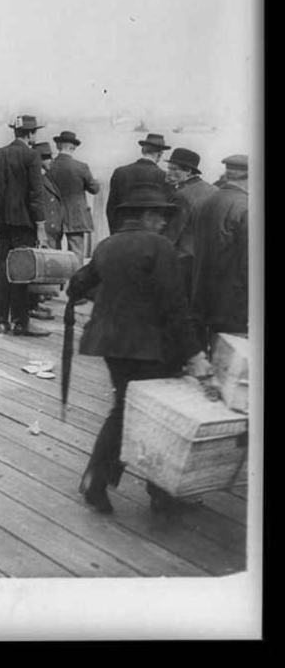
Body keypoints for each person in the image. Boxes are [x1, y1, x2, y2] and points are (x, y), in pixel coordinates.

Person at [66, 183, 212, 515]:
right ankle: (159, 493)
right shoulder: (160, 247)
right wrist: (196, 355)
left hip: (110, 344)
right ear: (146, 216)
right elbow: (175, 307)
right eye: (159, 216)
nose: (163, 223)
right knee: (157, 415)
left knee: (125, 408)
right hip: (148, 347)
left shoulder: (107, 245)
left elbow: (78, 283)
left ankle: (99, 481)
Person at [0, 114, 50, 337]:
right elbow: (36, 195)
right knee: (21, 271)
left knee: (3, 269)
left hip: (2, 223)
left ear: (15, 131)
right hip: (24, 224)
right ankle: (21, 322)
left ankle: (1, 321)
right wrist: (41, 228)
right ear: (31, 134)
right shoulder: (32, 156)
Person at [191, 154, 249, 349]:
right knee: (231, 362)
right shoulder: (246, 207)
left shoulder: (207, 202)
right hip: (234, 303)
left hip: (205, 296)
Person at [161, 148, 218, 309]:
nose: (169, 173)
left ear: (188, 171)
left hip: (184, 259)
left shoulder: (182, 196)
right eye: (169, 168)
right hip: (208, 258)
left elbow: (172, 233)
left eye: (174, 169)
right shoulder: (213, 190)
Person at [105, 132, 171, 235]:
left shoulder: (120, 172)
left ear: (142, 150)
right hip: (151, 235)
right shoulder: (163, 176)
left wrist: (114, 234)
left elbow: (111, 208)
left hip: (123, 232)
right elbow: (165, 211)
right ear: (160, 154)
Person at [49, 130, 100, 258]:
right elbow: (94, 189)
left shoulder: (50, 166)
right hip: (76, 216)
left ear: (58, 146)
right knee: (77, 254)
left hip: (53, 216)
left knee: (53, 255)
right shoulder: (81, 167)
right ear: (74, 147)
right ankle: (76, 278)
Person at [29, 142, 63, 321]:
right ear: (40, 160)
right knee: (38, 269)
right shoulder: (37, 179)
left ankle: (36, 302)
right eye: (48, 157)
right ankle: (32, 306)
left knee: (42, 268)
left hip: (50, 231)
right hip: (43, 231)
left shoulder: (44, 177)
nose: (52, 160)